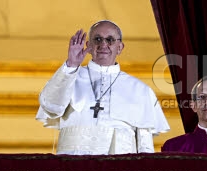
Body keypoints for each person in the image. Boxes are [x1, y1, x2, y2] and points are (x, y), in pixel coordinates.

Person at [37, 20, 169, 154]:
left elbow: (145, 145)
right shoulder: (69, 75)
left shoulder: (140, 90)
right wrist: (71, 65)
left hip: (119, 169)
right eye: (97, 39)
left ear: (120, 47)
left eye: (110, 40)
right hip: (73, 166)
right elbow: (50, 106)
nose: (103, 44)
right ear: (88, 45)